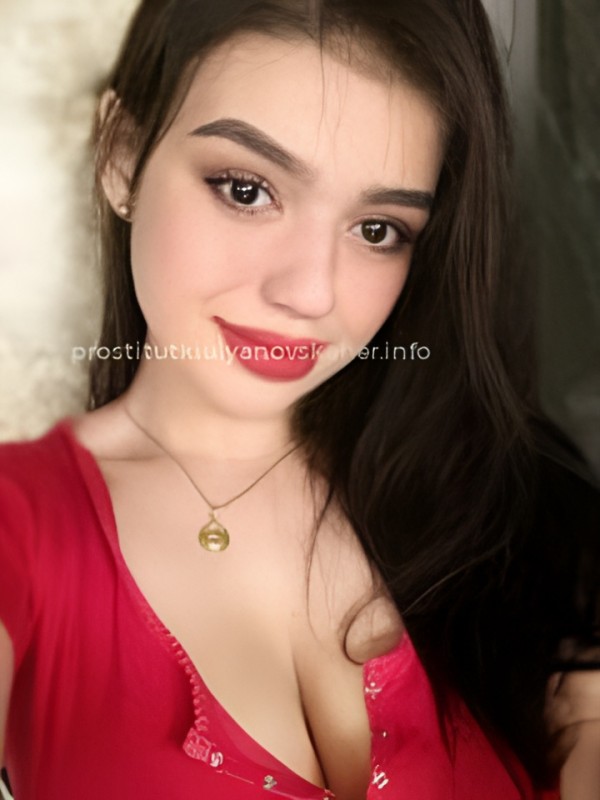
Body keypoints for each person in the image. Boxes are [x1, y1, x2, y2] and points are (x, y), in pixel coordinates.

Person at [0, 0, 599, 798]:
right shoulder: (21, 525)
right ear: (121, 156)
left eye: (378, 229)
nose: (310, 293)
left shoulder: (517, 513)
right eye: (247, 190)